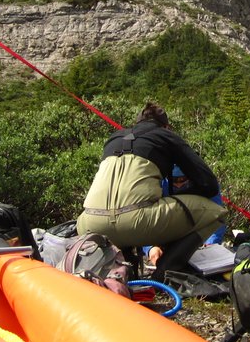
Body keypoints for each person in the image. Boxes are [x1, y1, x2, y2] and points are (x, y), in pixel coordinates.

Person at [78, 102, 226, 280]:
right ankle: (164, 273)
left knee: (125, 212)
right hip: (133, 222)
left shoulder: (114, 138)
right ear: (166, 126)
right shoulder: (165, 136)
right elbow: (209, 184)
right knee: (216, 212)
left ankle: (125, 268)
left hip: (88, 226)